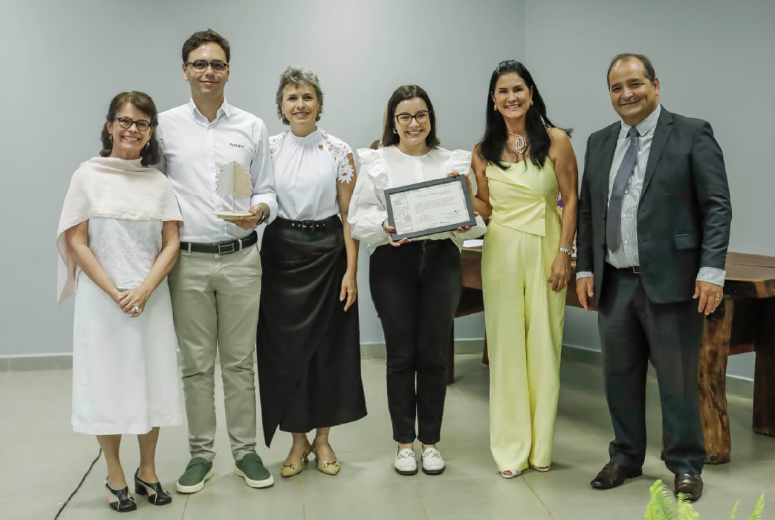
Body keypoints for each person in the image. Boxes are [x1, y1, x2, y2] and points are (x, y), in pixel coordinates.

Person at [576, 53, 732, 502]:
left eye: (635, 84)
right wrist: (585, 266)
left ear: (655, 85)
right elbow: (588, 210)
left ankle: (685, 464)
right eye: (616, 87)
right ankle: (626, 456)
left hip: (673, 280)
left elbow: (716, 206)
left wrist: (711, 271)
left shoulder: (691, 133)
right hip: (615, 282)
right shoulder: (599, 141)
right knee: (619, 377)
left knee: (678, 380)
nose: (626, 94)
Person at [155, 29, 277, 493]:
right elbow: (150, 190)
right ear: (185, 70)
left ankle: (245, 452)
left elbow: (268, 189)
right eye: (200, 64)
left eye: (218, 64)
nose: (209, 71)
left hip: (241, 259)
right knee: (196, 365)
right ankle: (200, 455)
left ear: (228, 71)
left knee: (240, 363)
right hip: (187, 263)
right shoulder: (163, 127)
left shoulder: (251, 126)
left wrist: (259, 211)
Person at [349, 85, 486, 476]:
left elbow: (472, 218)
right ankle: (404, 444)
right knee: (400, 356)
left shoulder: (452, 161)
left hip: (442, 263)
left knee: (433, 355)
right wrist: (384, 224)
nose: (414, 123)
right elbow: (357, 220)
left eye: (421, 115)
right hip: (393, 264)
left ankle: (431, 442)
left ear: (431, 118)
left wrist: (466, 224)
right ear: (393, 122)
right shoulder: (377, 161)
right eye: (405, 116)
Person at [57, 91, 183, 512]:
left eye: (141, 123)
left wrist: (144, 289)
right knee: (107, 386)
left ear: (150, 133)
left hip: (150, 300)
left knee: (152, 383)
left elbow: (171, 242)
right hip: (102, 302)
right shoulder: (87, 177)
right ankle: (114, 474)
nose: (132, 129)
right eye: (124, 121)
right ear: (110, 125)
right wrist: (115, 293)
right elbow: (77, 242)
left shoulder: (158, 183)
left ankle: (148, 470)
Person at [257, 66, 367, 477]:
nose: (300, 104)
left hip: (329, 255)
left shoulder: (339, 151)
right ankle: (297, 439)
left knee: (328, 351)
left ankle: (322, 439)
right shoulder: (267, 149)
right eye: (292, 97)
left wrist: (351, 271)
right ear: (281, 105)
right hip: (281, 256)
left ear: (319, 104)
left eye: (307, 97)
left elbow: (349, 215)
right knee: (284, 353)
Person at [471, 60, 579, 479]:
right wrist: (457, 193)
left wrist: (564, 253)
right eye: (503, 91)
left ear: (531, 94)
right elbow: (484, 207)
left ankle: (540, 447)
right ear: (493, 100)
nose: (511, 97)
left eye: (518, 89)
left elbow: (571, 198)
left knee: (544, 344)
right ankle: (511, 449)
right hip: (500, 250)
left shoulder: (556, 140)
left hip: (546, 246)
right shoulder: (482, 150)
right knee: (506, 347)